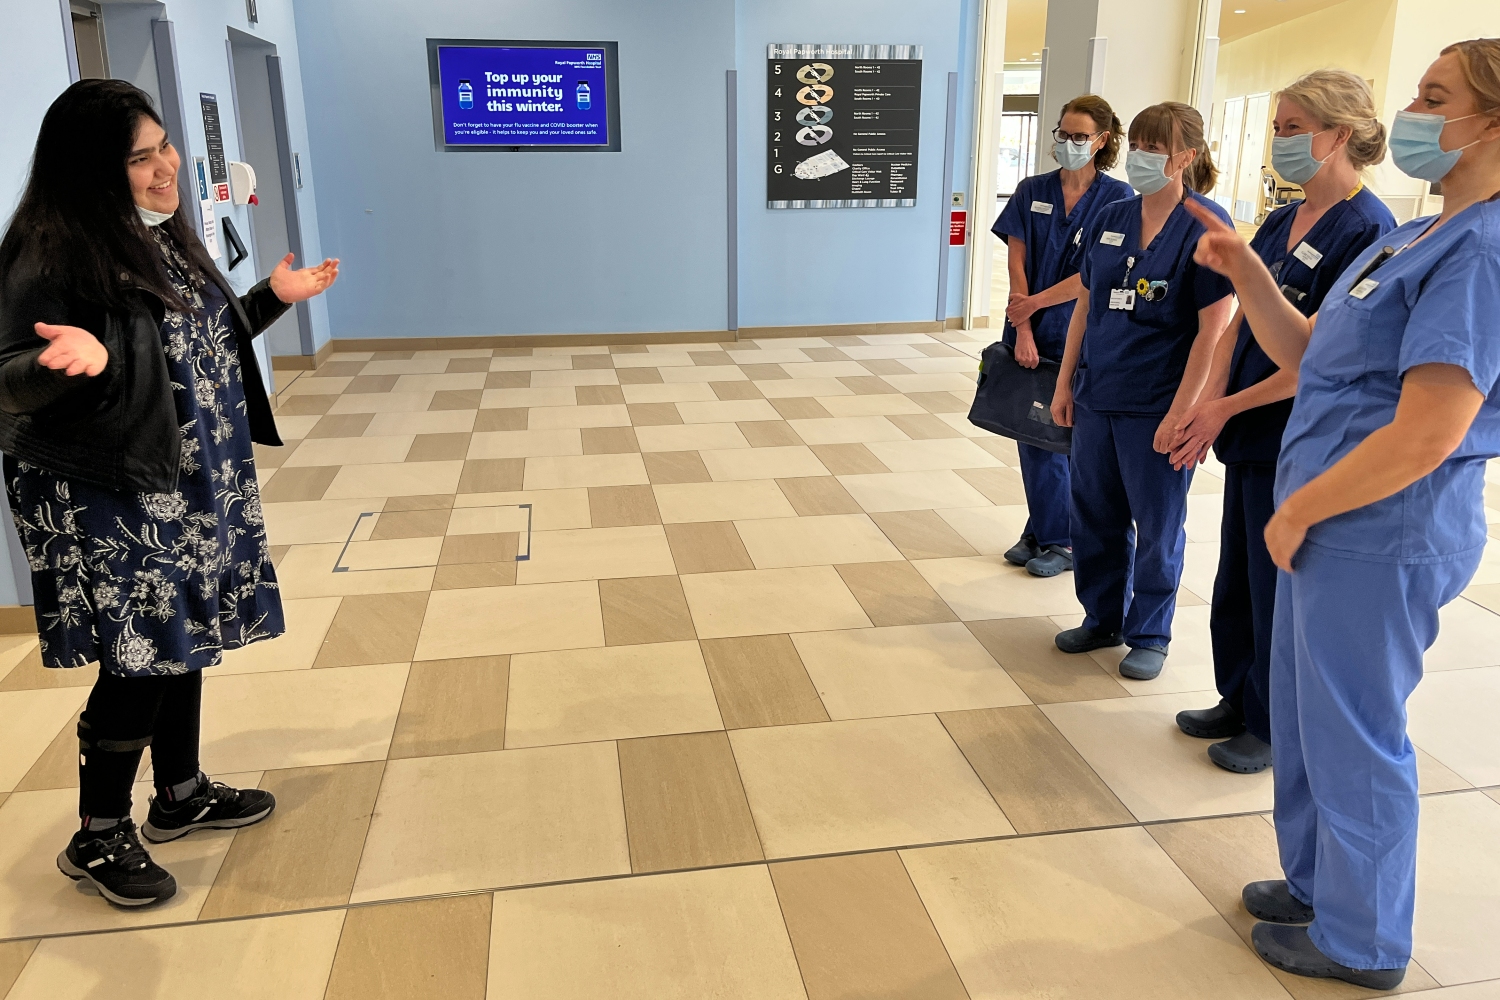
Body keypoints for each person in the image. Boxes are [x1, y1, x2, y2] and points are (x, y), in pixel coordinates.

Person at [1185, 38, 1500, 990]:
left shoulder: (1482, 253)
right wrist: (1246, 270)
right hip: (1330, 524)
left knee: (1357, 734)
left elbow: (1428, 433)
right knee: (1313, 719)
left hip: (1380, 530)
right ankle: (1320, 885)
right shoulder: (1414, 233)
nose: (1408, 112)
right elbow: (1316, 349)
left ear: (1488, 123)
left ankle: (1362, 942)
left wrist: (1298, 511)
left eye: (1433, 97)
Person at [0, 80, 339, 907]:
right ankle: (98, 834)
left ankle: (180, 793)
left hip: (192, 479)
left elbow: (192, 339)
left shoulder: (158, 235)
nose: (166, 168)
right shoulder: (48, 251)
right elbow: (9, 375)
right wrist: (55, 362)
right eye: (140, 157)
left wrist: (267, 300)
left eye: (164, 147)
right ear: (93, 169)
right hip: (113, 490)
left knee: (183, 633)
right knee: (143, 650)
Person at [1167, 71, 1395, 775]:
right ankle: (1236, 696)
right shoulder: (1276, 221)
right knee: (1236, 575)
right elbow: (1240, 321)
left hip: (1298, 431)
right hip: (1248, 430)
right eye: (1277, 127)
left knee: (1275, 589)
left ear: (1341, 135)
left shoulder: (1368, 230)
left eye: (1294, 128)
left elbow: (1314, 358)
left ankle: (1269, 723)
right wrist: (1206, 398)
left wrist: (1223, 408)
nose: (1280, 141)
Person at [1048, 102, 1235, 680]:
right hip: (1098, 394)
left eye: (1158, 147)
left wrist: (1182, 414)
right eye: (1140, 144)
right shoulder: (1113, 214)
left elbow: (1213, 330)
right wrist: (1064, 386)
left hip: (1157, 401)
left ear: (1187, 156)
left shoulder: (1206, 225)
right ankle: (1101, 616)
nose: (1143, 157)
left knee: (1157, 524)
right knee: (1093, 515)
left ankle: (1149, 631)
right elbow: (1085, 304)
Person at [991, 95, 1134, 578]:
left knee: (1063, 436)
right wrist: (1023, 324)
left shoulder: (1118, 202)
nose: (1068, 144)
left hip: (1079, 334)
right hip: (1026, 329)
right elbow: (1016, 259)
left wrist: (1034, 306)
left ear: (1101, 141)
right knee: (1030, 433)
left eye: (1079, 137)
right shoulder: (1032, 189)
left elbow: (1092, 275)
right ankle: (1044, 528)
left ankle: (1062, 539)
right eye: (1062, 134)